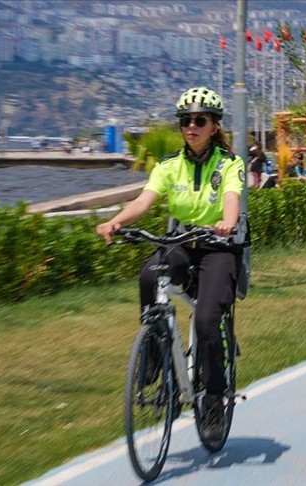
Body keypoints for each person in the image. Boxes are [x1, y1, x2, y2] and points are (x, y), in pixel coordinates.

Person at [95, 86, 245, 440]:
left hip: (218, 247)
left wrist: (226, 222)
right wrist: (118, 221)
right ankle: (153, 353)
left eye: (199, 120)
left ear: (213, 126)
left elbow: (231, 200)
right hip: (180, 243)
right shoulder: (168, 166)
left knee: (208, 319)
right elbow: (144, 201)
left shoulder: (229, 164)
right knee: (149, 275)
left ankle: (211, 401)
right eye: (185, 121)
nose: (191, 127)